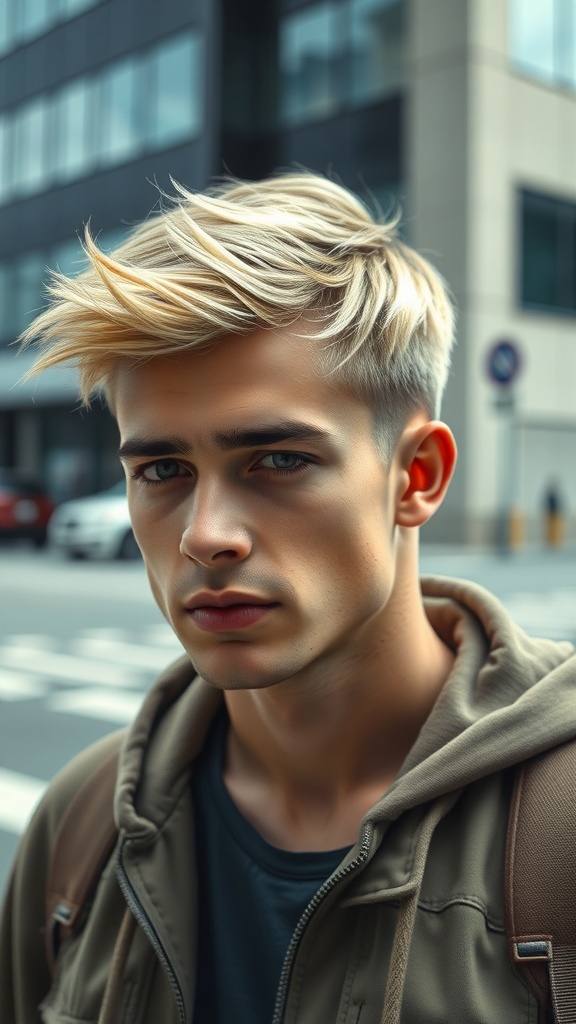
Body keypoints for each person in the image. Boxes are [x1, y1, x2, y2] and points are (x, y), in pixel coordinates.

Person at [1, 173, 575, 1024]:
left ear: (416, 476)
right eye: (161, 470)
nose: (206, 534)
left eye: (277, 461)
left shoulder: (558, 833)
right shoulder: (79, 828)